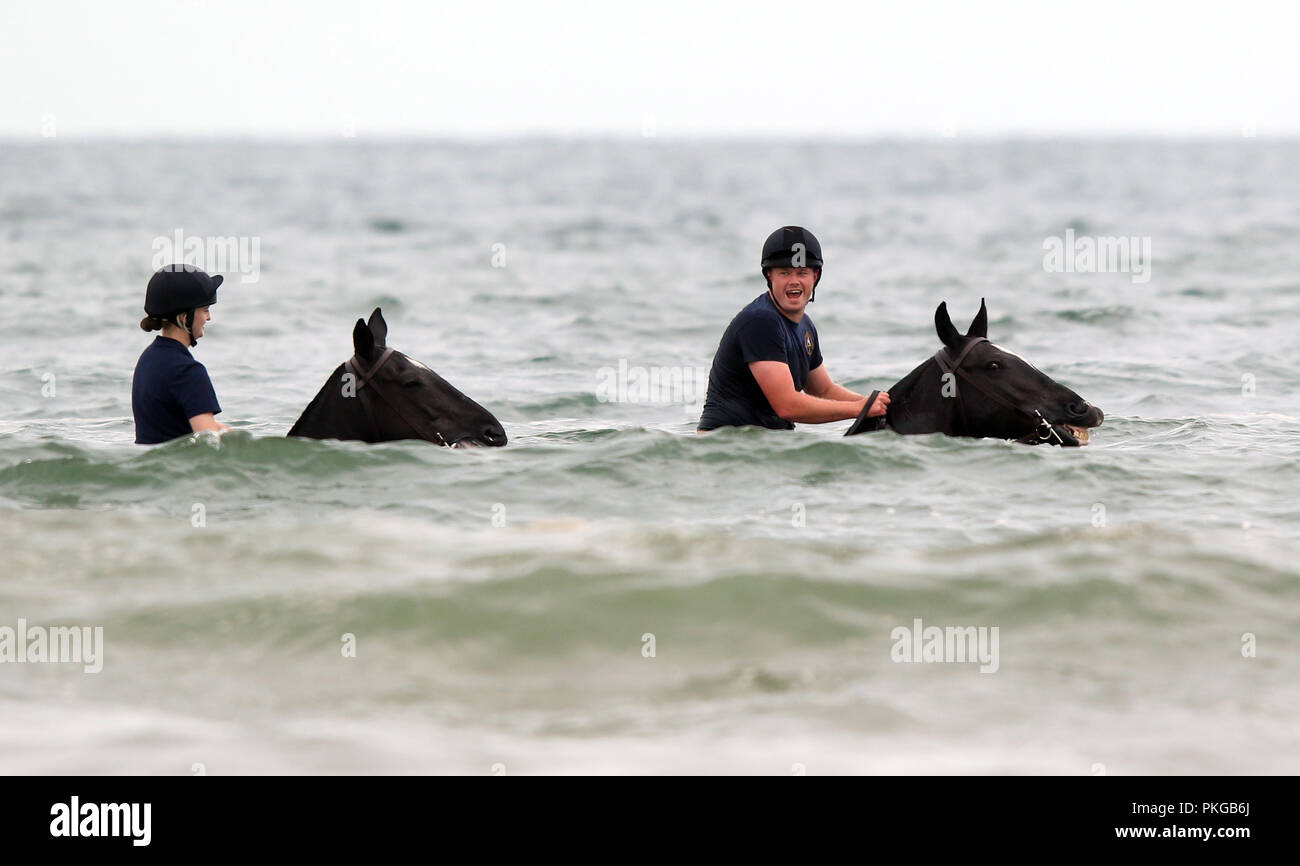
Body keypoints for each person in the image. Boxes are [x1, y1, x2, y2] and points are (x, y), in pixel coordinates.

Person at [697, 226, 889, 431]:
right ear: (769, 275)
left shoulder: (805, 326)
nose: (794, 281)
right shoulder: (761, 322)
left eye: (802, 272)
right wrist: (858, 409)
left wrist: (871, 404)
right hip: (728, 447)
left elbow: (823, 390)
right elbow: (787, 406)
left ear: (815, 276)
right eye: (784, 273)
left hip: (762, 447)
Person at [132, 264, 230, 444]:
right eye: (205, 310)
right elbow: (208, 436)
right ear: (185, 318)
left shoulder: (148, 360)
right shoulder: (188, 371)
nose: (209, 318)